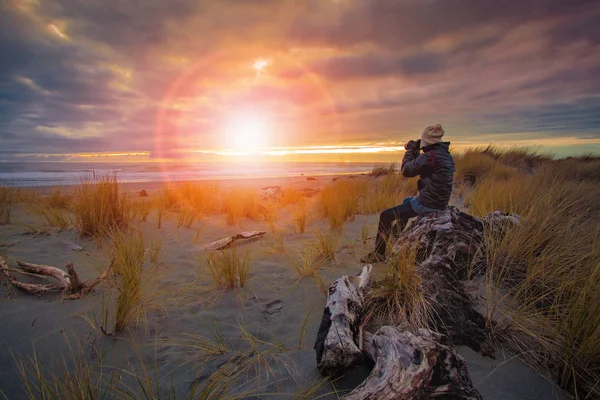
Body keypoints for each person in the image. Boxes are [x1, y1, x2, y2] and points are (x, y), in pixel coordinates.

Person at [361, 124, 455, 263]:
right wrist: (417, 150)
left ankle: (379, 254)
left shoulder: (430, 156)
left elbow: (406, 170)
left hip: (428, 203)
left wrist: (410, 150)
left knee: (385, 215)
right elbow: (418, 165)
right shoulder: (444, 155)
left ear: (426, 141)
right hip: (439, 201)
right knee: (407, 200)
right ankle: (395, 235)